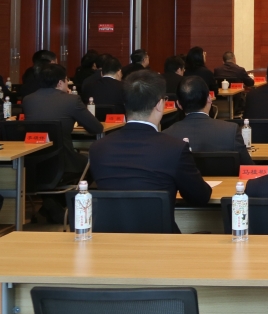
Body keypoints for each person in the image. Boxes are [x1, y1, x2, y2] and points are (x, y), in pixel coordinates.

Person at [89, 71, 212, 231]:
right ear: (160, 104)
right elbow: (200, 197)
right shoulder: (174, 148)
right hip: (160, 241)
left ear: (125, 104)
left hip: (112, 240)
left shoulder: (98, 148)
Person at [22, 63, 104, 177]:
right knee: (95, 161)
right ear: (60, 83)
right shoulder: (71, 100)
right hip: (65, 161)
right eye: (66, 80)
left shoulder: (28, 100)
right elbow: (96, 128)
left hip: (34, 162)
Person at [164, 76, 253, 164]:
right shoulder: (230, 131)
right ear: (209, 98)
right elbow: (248, 167)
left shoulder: (166, 135)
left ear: (179, 104)